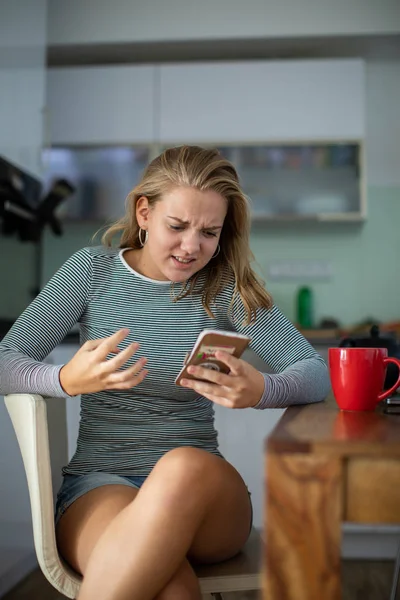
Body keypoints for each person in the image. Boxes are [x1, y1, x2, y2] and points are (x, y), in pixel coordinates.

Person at [0, 145, 330, 600]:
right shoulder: (90, 273)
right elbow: (5, 361)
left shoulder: (223, 288)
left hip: (207, 500)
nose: (192, 246)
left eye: (209, 232)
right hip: (100, 485)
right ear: (144, 212)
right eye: (177, 226)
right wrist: (63, 380)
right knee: (170, 588)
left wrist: (262, 390)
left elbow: (316, 373)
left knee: (179, 468)